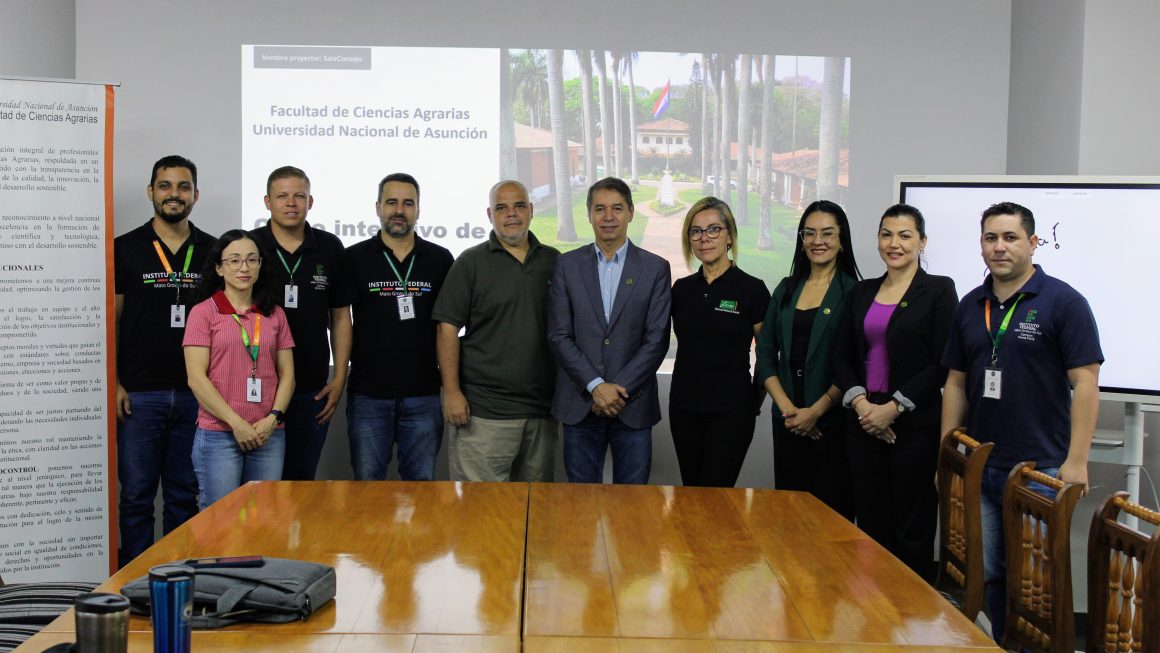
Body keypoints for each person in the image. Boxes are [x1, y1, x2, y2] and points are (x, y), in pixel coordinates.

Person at [940, 201, 1102, 642]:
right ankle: (1001, 646)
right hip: (981, 464)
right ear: (981, 245)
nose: (1000, 247)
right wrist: (948, 453)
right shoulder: (972, 305)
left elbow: (1086, 383)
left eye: (1010, 237)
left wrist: (1077, 461)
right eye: (991, 238)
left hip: (1040, 469)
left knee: (1035, 582)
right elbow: (955, 383)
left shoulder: (1064, 302)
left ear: (1032, 243)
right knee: (989, 573)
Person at [833, 204, 958, 580]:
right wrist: (863, 406)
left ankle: (912, 621)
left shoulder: (938, 290)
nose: (894, 243)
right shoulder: (861, 292)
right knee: (871, 526)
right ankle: (875, 615)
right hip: (863, 422)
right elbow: (841, 357)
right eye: (886, 234)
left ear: (922, 241)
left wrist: (894, 408)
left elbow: (941, 361)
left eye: (905, 235)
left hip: (914, 428)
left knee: (912, 528)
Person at [113, 155, 213, 566]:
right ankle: (133, 584)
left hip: (196, 394)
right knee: (136, 496)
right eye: (166, 185)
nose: (175, 194)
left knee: (183, 496)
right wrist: (115, 382)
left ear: (196, 194)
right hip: (140, 394)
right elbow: (111, 322)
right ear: (151, 192)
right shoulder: (125, 248)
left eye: (183, 186)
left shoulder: (212, 250)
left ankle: (177, 580)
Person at [432, 180, 561, 481]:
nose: (511, 214)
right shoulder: (471, 262)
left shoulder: (554, 261)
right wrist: (451, 392)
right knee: (483, 517)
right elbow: (447, 328)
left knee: (535, 513)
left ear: (530, 210)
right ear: (490, 215)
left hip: (542, 412)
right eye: (501, 208)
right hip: (484, 413)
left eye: (518, 206)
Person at [547, 177, 671, 484]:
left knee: (632, 508)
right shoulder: (567, 265)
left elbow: (656, 340)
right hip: (580, 403)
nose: (608, 216)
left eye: (617, 208)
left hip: (633, 403)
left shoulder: (656, 268)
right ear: (588, 214)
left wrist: (617, 390)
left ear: (630, 212)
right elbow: (559, 335)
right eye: (599, 208)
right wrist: (595, 386)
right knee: (581, 506)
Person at [754, 200, 860, 520]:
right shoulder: (786, 289)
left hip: (832, 422)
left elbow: (854, 363)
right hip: (787, 421)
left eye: (828, 233)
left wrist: (816, 411)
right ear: (801, 240)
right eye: (809, 233)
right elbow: (765, 352)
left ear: (842, 240)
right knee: (789, 515)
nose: (818, 241)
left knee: (832, 520)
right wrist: (788, 409)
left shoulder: (855, 292)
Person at [345, 173, 453, 480]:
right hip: (368, 395)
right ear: (378, 206)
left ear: (419, 210)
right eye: (391, 202)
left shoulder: (440, 259)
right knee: (367, 489)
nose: (399, 210)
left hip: (424, 395)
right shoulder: (354, 258)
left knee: (420, 490)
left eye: (408, 203)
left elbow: (448, 328)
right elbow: (340, 321)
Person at [249, 166, 353, 480]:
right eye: (282, 196)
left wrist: (340, 377)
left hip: (312, 388)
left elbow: (340, 317)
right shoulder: (249, 246)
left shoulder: (329, 247)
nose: (291, 203)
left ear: (311, 201)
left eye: (299, 196)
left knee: (299, 481)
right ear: (267, 201)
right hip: (258, 386)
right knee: (258, 486)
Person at [183, 230, 295, 508]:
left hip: (267, 434)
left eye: (251, 260)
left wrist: (273, 418)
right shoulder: (203, 313)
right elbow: (196, 379)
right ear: (219, 268)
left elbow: (288, 375)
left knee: (263, 521)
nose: (243, 268)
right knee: (218, 524)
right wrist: (237, 424)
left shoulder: (274, 313)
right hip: (219, 435)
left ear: (260, 265)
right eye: (234, 261)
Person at [669, 197, 770, 487]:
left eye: (713, 229)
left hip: (732, 412)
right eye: (696, 231)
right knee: (691, 493)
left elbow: (767, 354)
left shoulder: (752, 289)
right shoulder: (682, 289)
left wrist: (753, 402)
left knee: (717, 497)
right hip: (684, 409)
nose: (704, 238)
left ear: (729, 235)